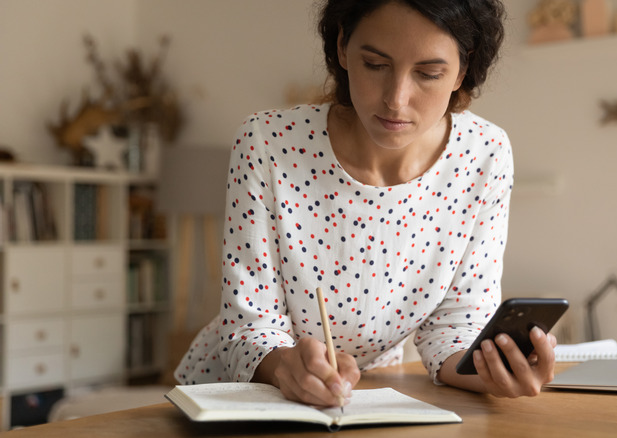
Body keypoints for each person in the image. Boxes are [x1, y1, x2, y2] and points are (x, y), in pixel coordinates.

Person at [175, 0, 557, 408]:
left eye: (428, 73)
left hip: (366, 400)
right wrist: (287, 365)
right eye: (375, 65)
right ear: (342, 47)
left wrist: (492, 372)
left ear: (463, 70)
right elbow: (248, 326)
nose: (396, 98)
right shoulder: (268, 143)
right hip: (235, 396)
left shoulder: (484, 154)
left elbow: (456, 324)